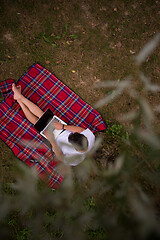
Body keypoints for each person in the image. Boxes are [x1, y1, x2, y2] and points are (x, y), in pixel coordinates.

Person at [12, 83, 95, 166]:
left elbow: (60, 157)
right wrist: (63, 126)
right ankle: (20, 97)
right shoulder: (91, 137)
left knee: (36, 122)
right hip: (62, 129)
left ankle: (19, 100)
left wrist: (52, 141)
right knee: (42, 114)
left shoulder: (75, 160)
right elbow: (81, 130)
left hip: (54, 140)